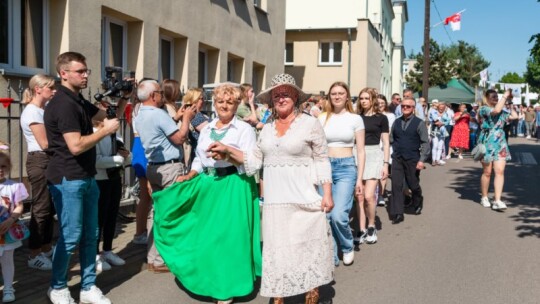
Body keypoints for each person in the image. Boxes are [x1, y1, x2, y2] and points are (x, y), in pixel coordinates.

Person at [208, 74, 334, 304]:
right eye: (277, 95)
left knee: (305, 248)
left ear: (295, 96)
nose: (281, 98)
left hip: (303, 199)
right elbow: (253, 161)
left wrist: (327, 192)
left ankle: (311, 293)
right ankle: (279, 297)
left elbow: (322, 159)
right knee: (277, 251)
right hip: (276, 202)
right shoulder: (267, 128)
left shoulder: (310, 124)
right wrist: (227, 152)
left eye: (286, 93)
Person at [151, 84, 261, 304]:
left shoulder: (244, 130)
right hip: (208, 185)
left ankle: (227, 288)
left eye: (230, 102)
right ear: (215, 103)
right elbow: (200, 159)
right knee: (207, 237)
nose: (224, 106)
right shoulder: (208, 128)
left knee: (227, 238)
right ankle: (211, 279)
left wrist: (227, 153)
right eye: (221, 102)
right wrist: (190, 174)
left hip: (233, 185)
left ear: (237, 104)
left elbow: (253, 162)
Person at [44, 51, 123, 304]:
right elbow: (76, 146)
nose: (86, 74)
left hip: (86, 178)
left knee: (91, 234)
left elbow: (105, 119)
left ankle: (88, 287)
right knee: (70, 236)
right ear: (63, 73)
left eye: (86, 70)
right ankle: (57, 287)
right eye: (80, 71)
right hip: (68, 179)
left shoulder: (77, 100)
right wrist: (105, 131)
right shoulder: (63, 104)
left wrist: (122, 100)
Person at [134, 79, 194, 273]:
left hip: (153, 167)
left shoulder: (140, 114)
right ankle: (162, 259)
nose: (161, 95)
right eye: (159, 92)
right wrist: (186, 119)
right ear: (153, 95)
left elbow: (161, 133)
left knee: (156, 212)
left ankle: (154, 256)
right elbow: (180, 137)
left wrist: (176, 117)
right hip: (169, 168)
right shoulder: (159, 114)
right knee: (171, 212)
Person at [318, 81, 365, 265]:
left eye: (341, 93)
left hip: (346, 168)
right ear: (329, 96)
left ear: (347, 96)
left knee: (339, 215)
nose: (337, 96)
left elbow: (360, 151)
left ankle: (347, 246)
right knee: (326, 214)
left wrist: (359, 179)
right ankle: (331, 253)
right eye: (333, 93)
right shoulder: (322, 118)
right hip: (325, 167)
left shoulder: (355, 119)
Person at [20, 74, 56, 271]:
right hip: (39, 159)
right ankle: (34, 254)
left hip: (47, 160)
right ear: (38, 89)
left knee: (50, 208)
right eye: (50, 87)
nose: (54, 90)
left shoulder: (42, 110)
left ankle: (46, 248)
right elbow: (45, 143)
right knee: (41, 208)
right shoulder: (32, 112)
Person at [93, 116, 132, 272]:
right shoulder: (94, 133)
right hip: (99, 179)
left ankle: (107, 250)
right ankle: (94, 254)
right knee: (98, 218)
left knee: (111, 215)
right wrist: (119, 159)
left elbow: (126, 155)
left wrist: (126, 155)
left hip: (114, 177)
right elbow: (96, 161)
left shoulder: (115, 134)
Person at [356, 88, 389, 244]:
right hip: (357, 154)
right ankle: (361, 229)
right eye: (361, 98)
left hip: (374, 155)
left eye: (366, 98)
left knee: (369, 196)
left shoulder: (381, 118)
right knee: (359, 196)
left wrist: (385, 164)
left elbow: (386, 143)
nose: (363, 101)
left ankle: (371, 225)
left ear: (373, 100)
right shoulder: (356, 118)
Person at [389, 97, 430, 224]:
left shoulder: (419, 123)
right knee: (396, 185)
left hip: (412, 158)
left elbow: (425, 143)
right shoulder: (396, 122)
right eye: (403, 106)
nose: (405, 108)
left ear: (413, 108)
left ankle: (417, 200)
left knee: (413, 184)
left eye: (408, 106)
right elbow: (391, 139)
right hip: (397, 158)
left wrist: (422, 160)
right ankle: (398, 213)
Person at [478, 89, 517, 210]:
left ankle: (497, 199)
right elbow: (496, 111)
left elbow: (514, 116)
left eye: (497, 96)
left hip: (500, 142)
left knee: (500, 171)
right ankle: (484, 197)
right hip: (487, 141)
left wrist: (510, 103)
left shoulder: (501, 110)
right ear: (487, 98)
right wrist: (504, 96)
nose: (496, 98)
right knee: (487, 172)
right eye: (493, 96)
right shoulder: (484, 109)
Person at [0, 147, 28, 303]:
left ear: (9, 167)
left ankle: (9, 287)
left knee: (7, 261)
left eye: (3, 166)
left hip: (7, 231)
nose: (0, 170)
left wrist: (11, 219)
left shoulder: (14, 186)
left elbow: (19, 205)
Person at [130, 95, 151, 246]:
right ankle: (140, 232)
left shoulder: (137, 107)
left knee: (146, 196)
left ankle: (141, 231)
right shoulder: (142, 108)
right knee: (146, 195)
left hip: (140, 146)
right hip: (143, 146)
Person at [181, 87, 211, 167]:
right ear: (195, 99)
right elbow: (210, 131)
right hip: (199, 157)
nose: (203, 101)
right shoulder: (194, 115)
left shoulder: (201, 114)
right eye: (201, 98)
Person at [377, 94, 395, 206]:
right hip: (372, 145)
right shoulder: (370, 115)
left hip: (384, 145)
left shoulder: (390, 116)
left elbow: (388, 131)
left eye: (382, 103)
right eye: (378, 103)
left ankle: (380, 194)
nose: (380, 105)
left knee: (383, 171)